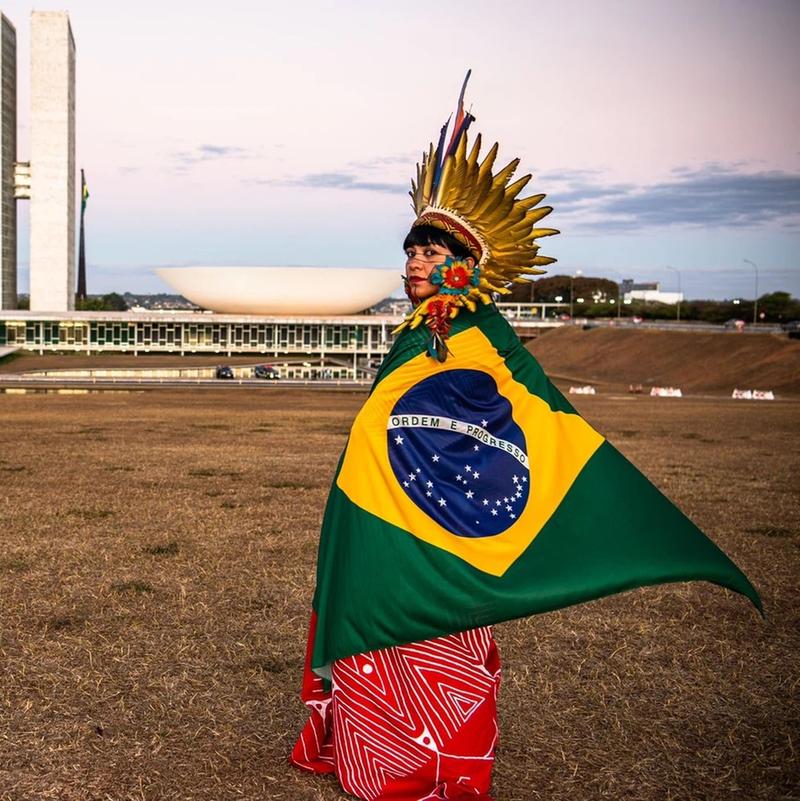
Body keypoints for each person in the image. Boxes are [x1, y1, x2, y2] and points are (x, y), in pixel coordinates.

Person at [289, 74, 758, 801]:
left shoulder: (488, 340)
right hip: (388, 523)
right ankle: (374, 752)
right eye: (411, 249)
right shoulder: (416, 334)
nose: (415, 262)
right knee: (383, 632)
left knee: (439, 635)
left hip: (445, 538)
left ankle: (432, 765)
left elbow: (517, 424)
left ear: (471, 265)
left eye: (433, 251)